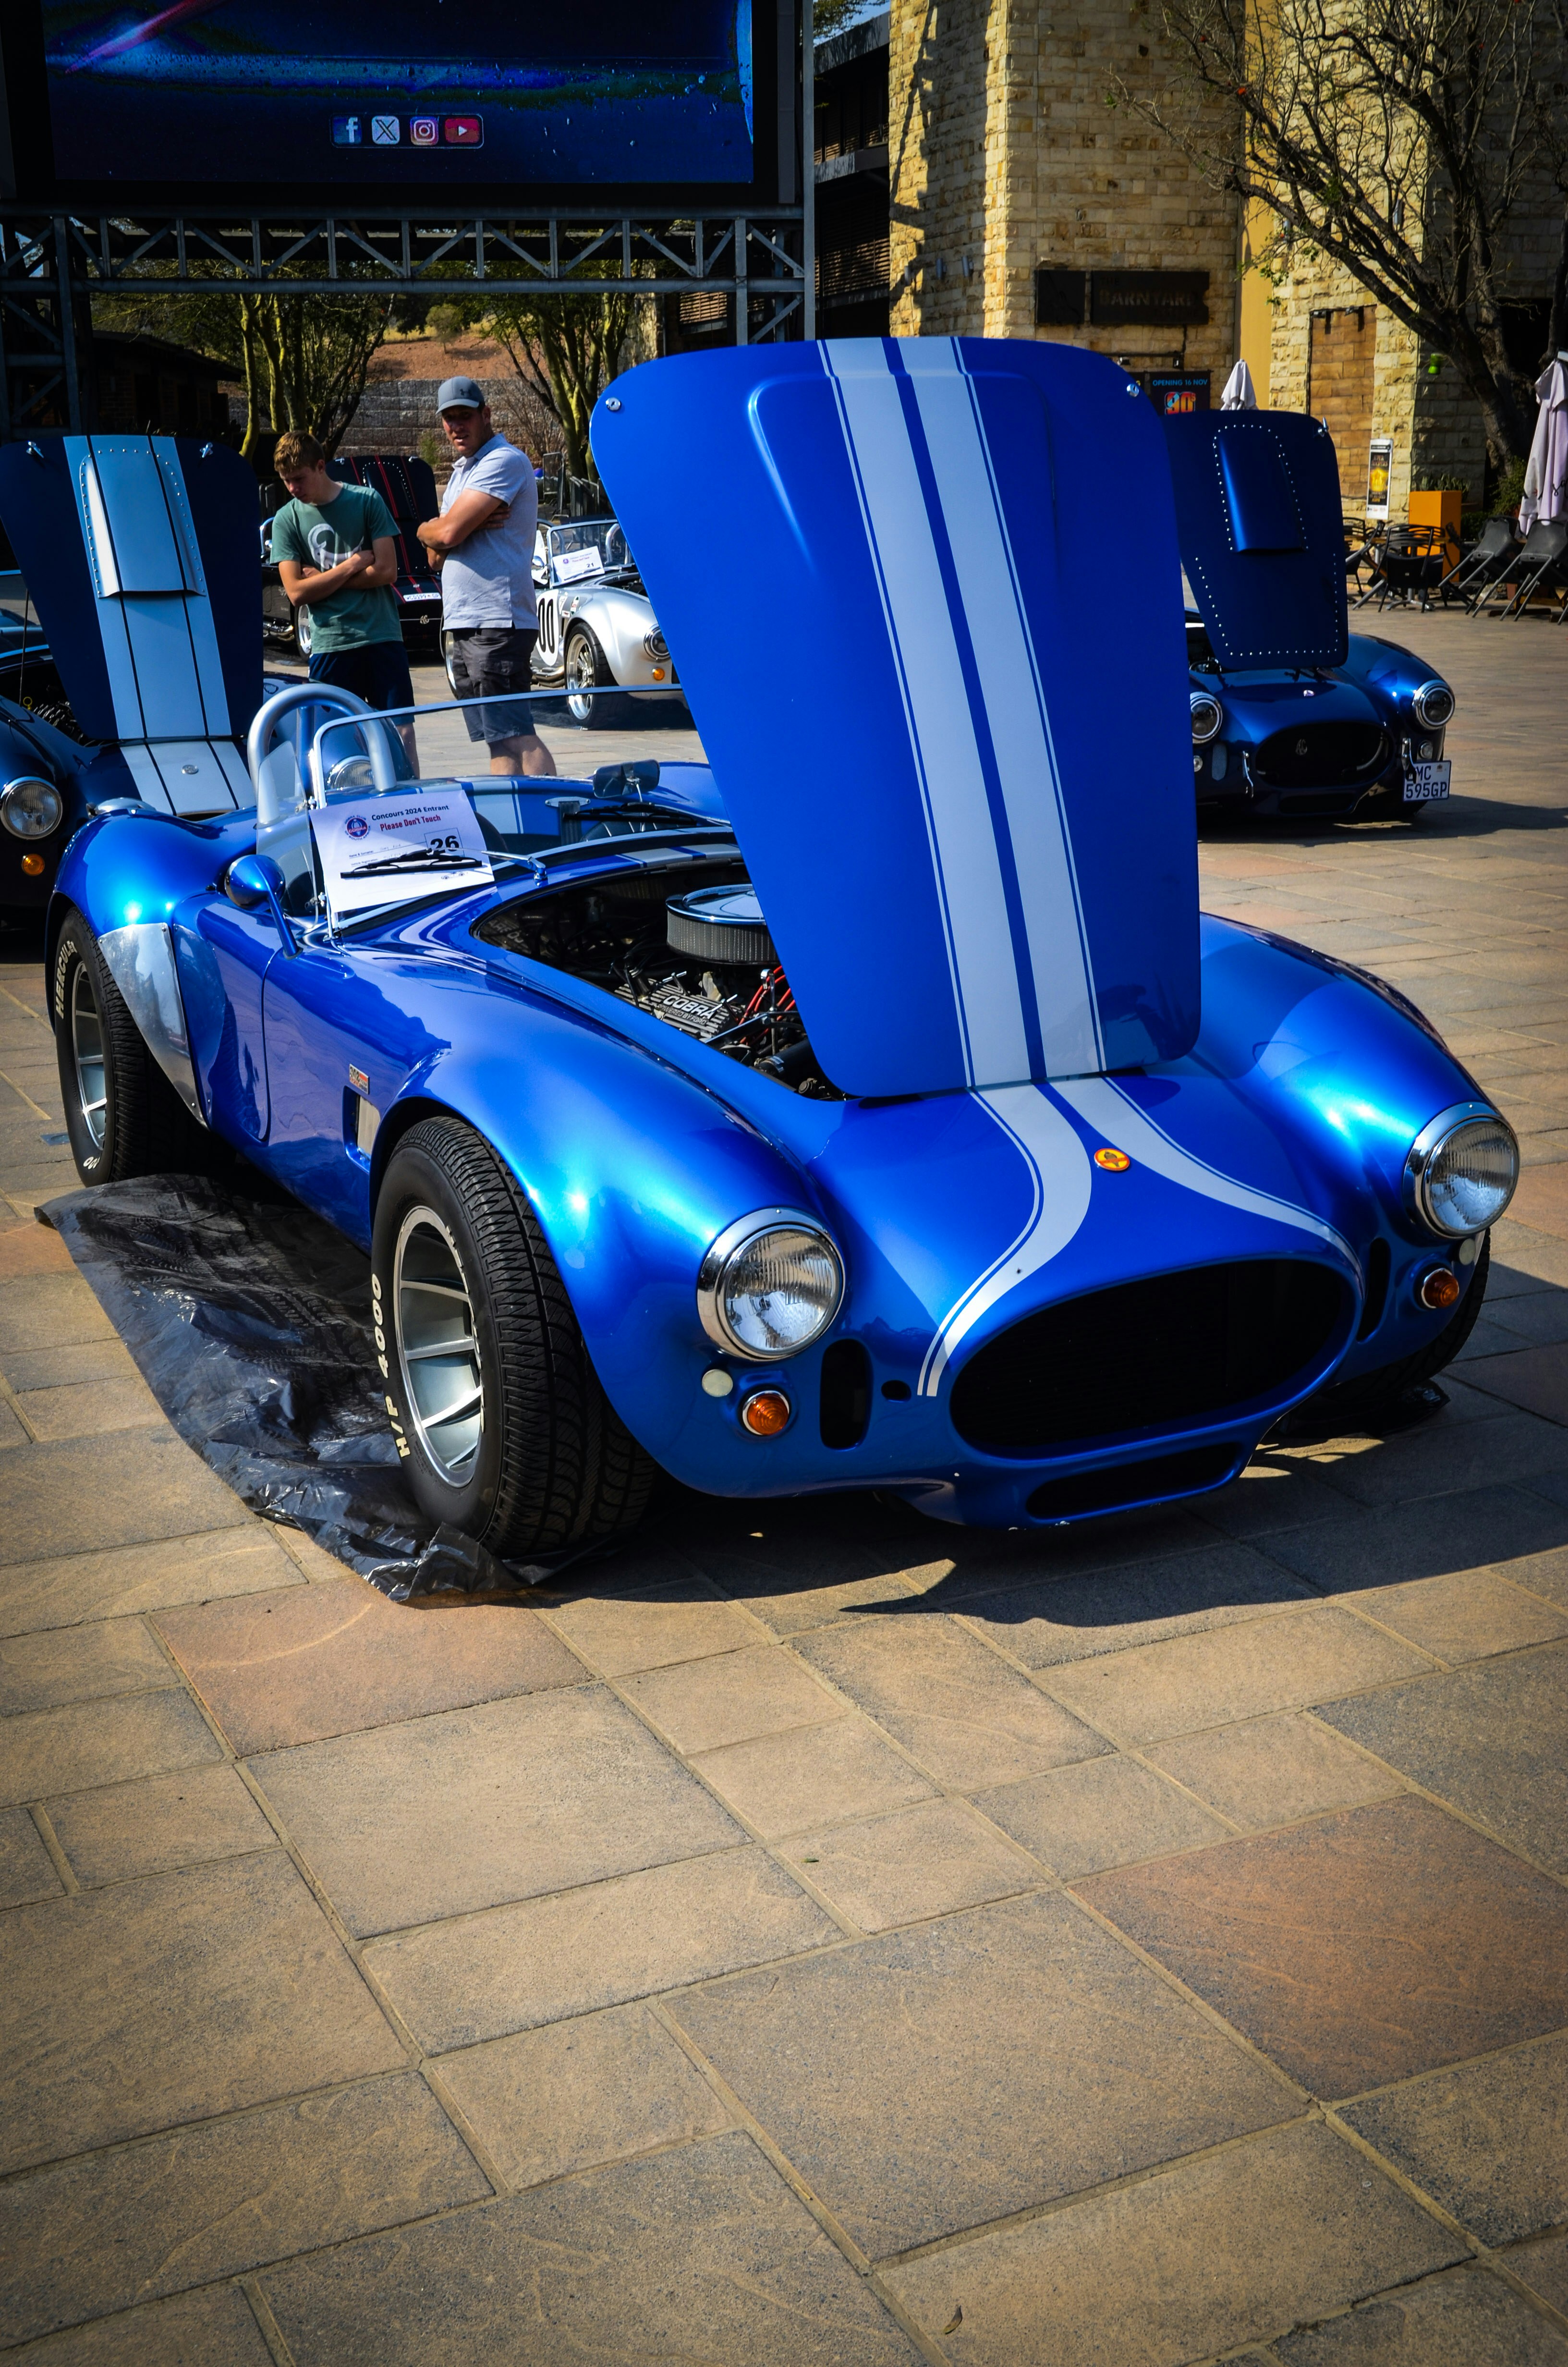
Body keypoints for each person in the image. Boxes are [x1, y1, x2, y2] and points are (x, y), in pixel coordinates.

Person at [416, 377, 556, 777]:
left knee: (516, 734)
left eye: (465, 416)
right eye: (449, 419)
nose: (456, 427)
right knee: (498, 739)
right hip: (465, 622)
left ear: (486, 414)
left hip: (496, 621)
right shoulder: (462, 474)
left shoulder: (504, 461)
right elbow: (433, 555)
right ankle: (516, 827)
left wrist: (446, 527)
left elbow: (445, 536)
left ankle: (554, 822)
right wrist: (435, 527)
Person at [269, 430, 417, 771]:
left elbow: (387, 571)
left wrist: (321, 579)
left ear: (321, 467)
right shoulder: (287, 519)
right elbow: (296, 592)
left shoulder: (366, 501)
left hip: (380, 636)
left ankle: (413, 802)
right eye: (286, 481)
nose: (292, 488)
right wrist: (352, 564)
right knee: (331, 736)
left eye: (299, 479)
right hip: (329, 643)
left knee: (400, 731)